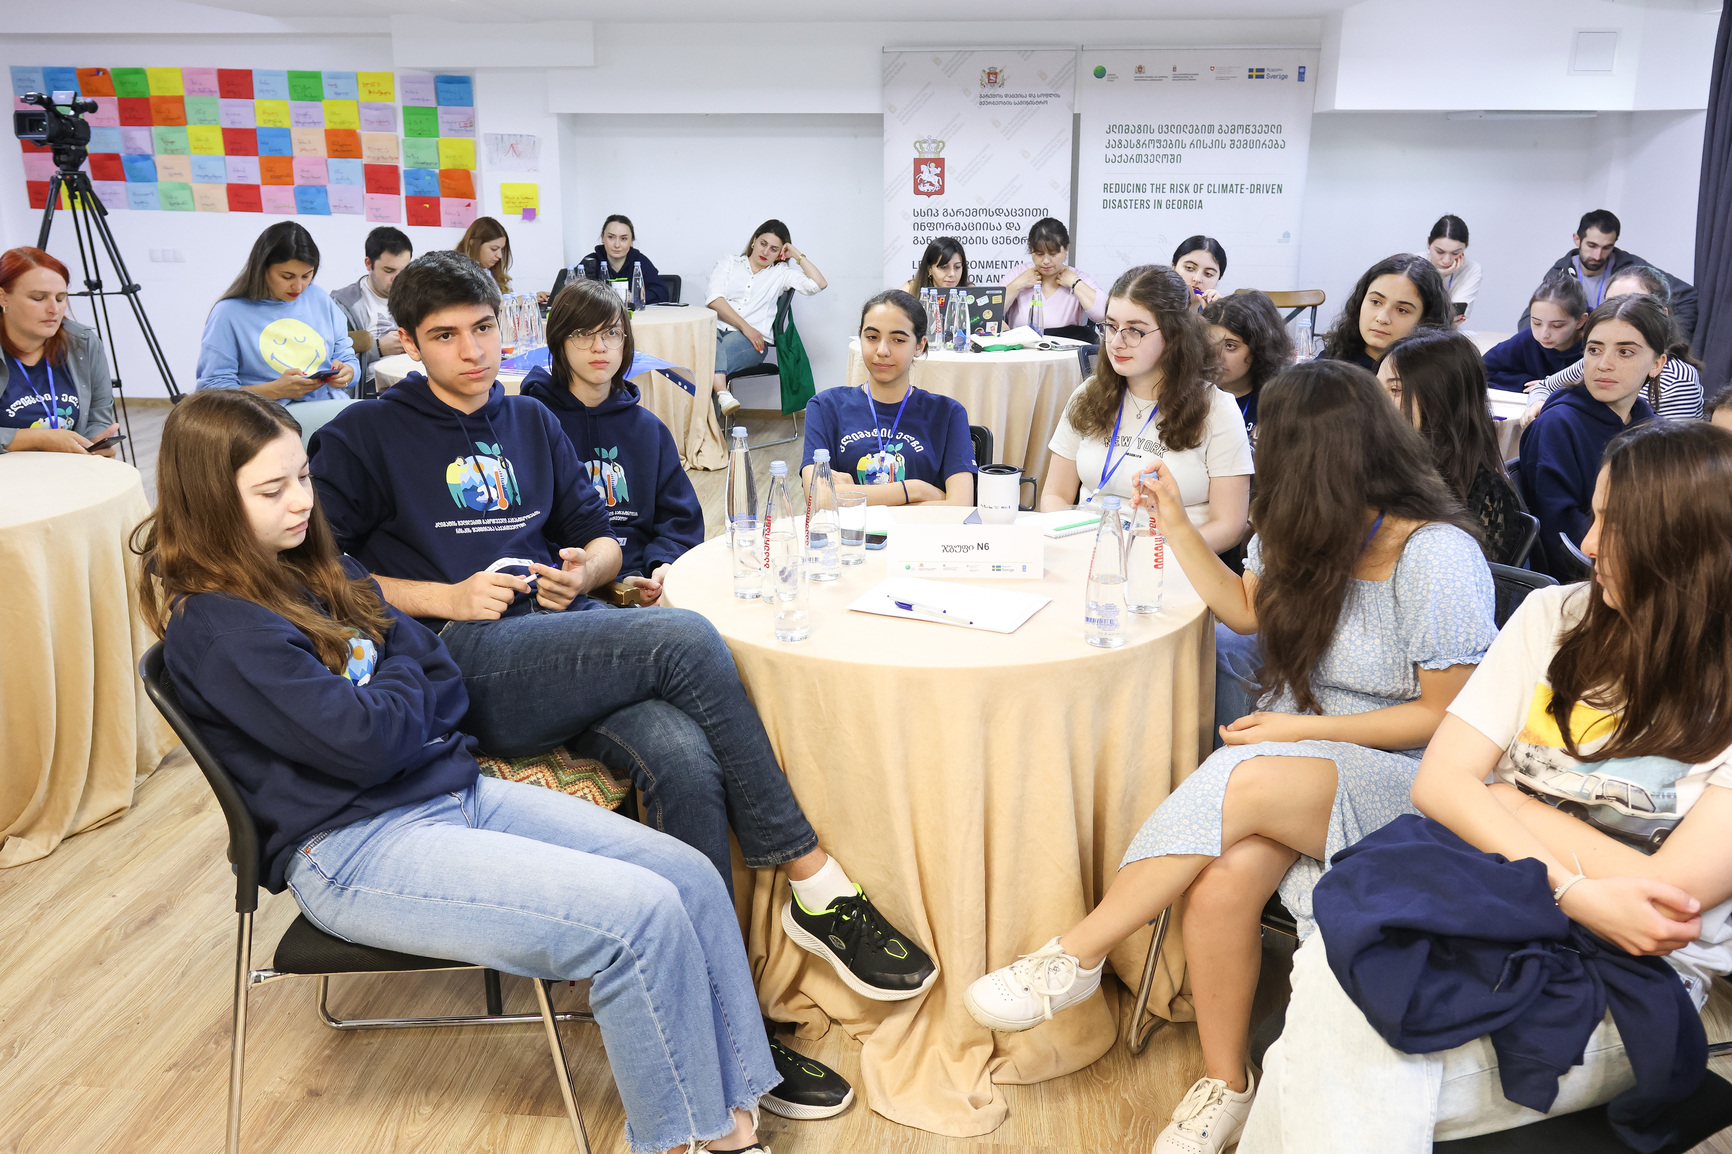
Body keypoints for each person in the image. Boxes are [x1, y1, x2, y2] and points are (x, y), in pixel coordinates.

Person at [310, 251, 930, 1118]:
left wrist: (586, 569)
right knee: (686, 638)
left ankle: (732, 1031)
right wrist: (444, 597)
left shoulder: (530, 421)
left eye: (483, 329)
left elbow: (600, 536)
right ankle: (812, 877)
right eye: (445, 337)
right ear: (408, 342)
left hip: (555, 643)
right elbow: (315, 571)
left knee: (683, 760)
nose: (473, 351)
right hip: (454, 661)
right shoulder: (361, 435)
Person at [136, 388, 781, 1154]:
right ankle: (694, 1136)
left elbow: (436, 667)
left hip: (449, 789)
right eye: (272, 490)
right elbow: (373, 735)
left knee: (689, 877)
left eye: (302, 476)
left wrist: (394, 692)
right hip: (354, 847)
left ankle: (733, 1111)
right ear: (211, 501)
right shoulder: (220, 628)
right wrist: (399, 685)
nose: (302, 501)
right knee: (638, 919)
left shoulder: (316, 563)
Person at [966, 359, 1495, 1154]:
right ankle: (1228, 1086)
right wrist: (1176, 525)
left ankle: (1078, 951)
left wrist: (1295, 734)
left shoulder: (1435, 554)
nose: (1257, 450)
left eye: (1269, 440)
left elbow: (1445, 717)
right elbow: (1246, 612)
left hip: (1415, 775)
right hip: (1300, 758)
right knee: (1217, 886)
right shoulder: (1307, 525)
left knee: (1246, 776)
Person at [1239, 421, 1732, 1154]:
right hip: (1484, 904)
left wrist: (1505, 802)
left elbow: (1664, 902)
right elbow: (1440, 782)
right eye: (1594, 515)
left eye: (1616, 526)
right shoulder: (1556, 616)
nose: (1588, 543)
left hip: (1629, 980)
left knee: (1330, 1035)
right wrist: (1576, 885)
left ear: (1689, 547)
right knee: (1338, 1000)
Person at [1039, 265, 1253, 553]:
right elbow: (1055, 495)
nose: (1117, 342)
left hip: (1172, 559)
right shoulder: (1089, 394)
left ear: (1174, 335)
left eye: (1135, 331)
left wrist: (1155, 557)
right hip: (1089, 552)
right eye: (1111, 326)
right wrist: (1078, 548)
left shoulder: (1217, 409)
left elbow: (1229, 526)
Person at [521, 280, 701, 607]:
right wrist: (607, 583)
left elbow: (680, 521)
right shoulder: (533, 424)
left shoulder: (649, 429)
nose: (599, 347)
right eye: (583, 334)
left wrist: (662, 565)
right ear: (559, 341)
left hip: (641, 577)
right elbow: (524, 531)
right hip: (561, 587)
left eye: (611, 333)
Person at [1519, 294, 1664, 579]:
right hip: (1589, 580)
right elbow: (1562, 536)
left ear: (1656, 364)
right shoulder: (1557, 426)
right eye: (1594, 350)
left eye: (1625, 352)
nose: (1604, 364)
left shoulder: (1656, 430)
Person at [801, 289, 975, 505]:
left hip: (920, 529)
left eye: (898, 340)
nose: (882, 350)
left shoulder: (947, 413)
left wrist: (851, 494)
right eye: (872, 337)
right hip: (856, 530)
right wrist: (917, 490)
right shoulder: (825, 407)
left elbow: (959, 506)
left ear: (920, 345)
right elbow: (819, 499)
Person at [195, 221, 358, 444]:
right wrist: (276, 390)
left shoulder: (319, 298)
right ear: (262, 269)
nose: (298, 287)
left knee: (372, 422)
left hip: (327, 406)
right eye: (287, 276)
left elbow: (346, 356)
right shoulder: (229, 313)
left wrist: (348, 372)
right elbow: (213, 392)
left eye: (307, 276)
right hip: (263, 417)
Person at [1376, 330, 1525, 565]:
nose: (1378, 401)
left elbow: (1472, 580)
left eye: (1395, 390)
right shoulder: (1373, 461)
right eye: (1376, 388)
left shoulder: (1484, 491)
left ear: (1440, 398)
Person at [1522, 265, 1705, 424]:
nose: (1618, 312)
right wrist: (1539, 404)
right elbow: (1544, 386)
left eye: (1633, 304)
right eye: (1610, 303)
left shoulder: (1677, 378)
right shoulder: (1598, 361)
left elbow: (1675, 449)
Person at [0, 246, 118, 456]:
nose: (54, 309)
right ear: (3, 297)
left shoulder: (83, 342)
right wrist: (38, 438)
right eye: (38, 298)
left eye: (61, 298)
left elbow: (98, 418)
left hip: (68, 469)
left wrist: (94, 443)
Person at [705, 219, 827, 418]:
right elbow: (714, 300)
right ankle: (722, 394)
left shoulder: (781, 274)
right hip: (716, 332)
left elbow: (818, 284)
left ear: (780, 253)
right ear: (754, 240)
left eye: (774, 249)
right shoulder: (729, 262)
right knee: (706, 352)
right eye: (763, 243)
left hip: (752, 343)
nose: (765, 252)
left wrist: (796, 254)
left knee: (702, 361)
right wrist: (746, 327)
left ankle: (704, 432)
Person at [1525, 209, 1697, 343]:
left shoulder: (1632, 268)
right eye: (1591, 245)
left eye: (1607, 247)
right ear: (1577, 239)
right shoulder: (1559, 273)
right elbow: (1531, 318)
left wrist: (1672, 341)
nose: (1598, 255)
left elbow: (1687, 296)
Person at [1318, 254, 1451, 371]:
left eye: (1402, 310)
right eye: (1376, 302)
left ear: (1426, 320)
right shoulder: (1329, 365)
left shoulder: (1435, 379)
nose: (1382, 318)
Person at [1201, 291, 1294, 439]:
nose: (1217, 357)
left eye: (1230, 346)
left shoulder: (1278, 401)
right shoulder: (1194, 393)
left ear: (1260, 349)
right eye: (1210, 344)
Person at [330, 226, 412, 392]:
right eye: (389, 270)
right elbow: (333, 357)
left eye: (404, 270)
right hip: (371, 386)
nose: (397, 279)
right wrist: (378, 348)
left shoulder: (416, 296)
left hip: (414, 376)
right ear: (369, 263)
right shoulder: (343, 303)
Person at [1481, 272, 1588, 394]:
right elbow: (1480, 369)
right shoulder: (1527, 339)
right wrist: (1526, 383)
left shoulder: (1596, 347)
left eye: (1557, 325)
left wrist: (1552, 386)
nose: (1544, 334)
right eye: (1536, 323)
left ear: (1580, 321)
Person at [1003, 217, 1104, 341]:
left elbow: (1102, 314)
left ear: (1066, 249)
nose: (1046, 261)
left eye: (1053, 254)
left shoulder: (1077, 276)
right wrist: (1018, 284)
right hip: (1024, 348)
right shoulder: (1019, 273)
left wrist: (1076, 283)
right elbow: (989, 313)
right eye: (1039, 254)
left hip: (1066, 349)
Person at [556, 214, 668, 305]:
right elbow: (569, 293)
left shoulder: (640, 262)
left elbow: (663, 293)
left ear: (631, 241)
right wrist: (552, 296)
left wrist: (634, 297)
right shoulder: (590, 261)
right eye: (611, 237)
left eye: (623, 239)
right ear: (602, 238)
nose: (617, 245)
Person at [455, 216, 538, 300]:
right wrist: (520, 300)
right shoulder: (457, 275)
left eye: (502, 249)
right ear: (473, 244)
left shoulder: (494, 274)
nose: (500, 255)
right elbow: (480, 306)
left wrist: (531, 298)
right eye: (494, 249)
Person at [1421, 214, 1479, 325]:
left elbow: (1455, 318)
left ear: (1465, 248)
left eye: (1455, 253)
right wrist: (1437, 277)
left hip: (1446, 333)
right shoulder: (1413, 263)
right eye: (1439, 252)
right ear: (1429, 243)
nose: (1446, 260)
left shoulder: (1471, 269)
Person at [1173, 235, 1228, 307]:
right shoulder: (1157, 307)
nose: (1197, 279)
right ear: (1173, 268)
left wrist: (1215, 312)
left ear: (1218, 279)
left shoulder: (1218, 312)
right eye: (1189, 268)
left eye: (1208, 274)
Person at [900, 236, 969, 294]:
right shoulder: (911, 290)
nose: (952, 274)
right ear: (929, 269)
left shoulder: (970, 292)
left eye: (957, 267)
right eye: (943, 267)